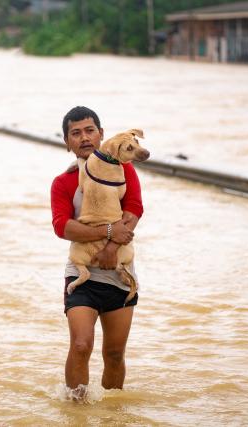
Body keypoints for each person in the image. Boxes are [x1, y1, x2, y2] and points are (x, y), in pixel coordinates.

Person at [50, 106, 143, 400]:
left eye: (90, 130)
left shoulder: (124, 170)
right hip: (82, 274)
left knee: (114, 354)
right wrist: (106, 233)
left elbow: (134, 210)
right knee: (80, 344)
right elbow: (62, 227)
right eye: (75, 133)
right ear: (67, 142)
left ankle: (112, 416)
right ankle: (76, 412)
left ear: (102, 135)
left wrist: (113, 247)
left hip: (118, 273)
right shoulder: (63, 182)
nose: (84, 138)